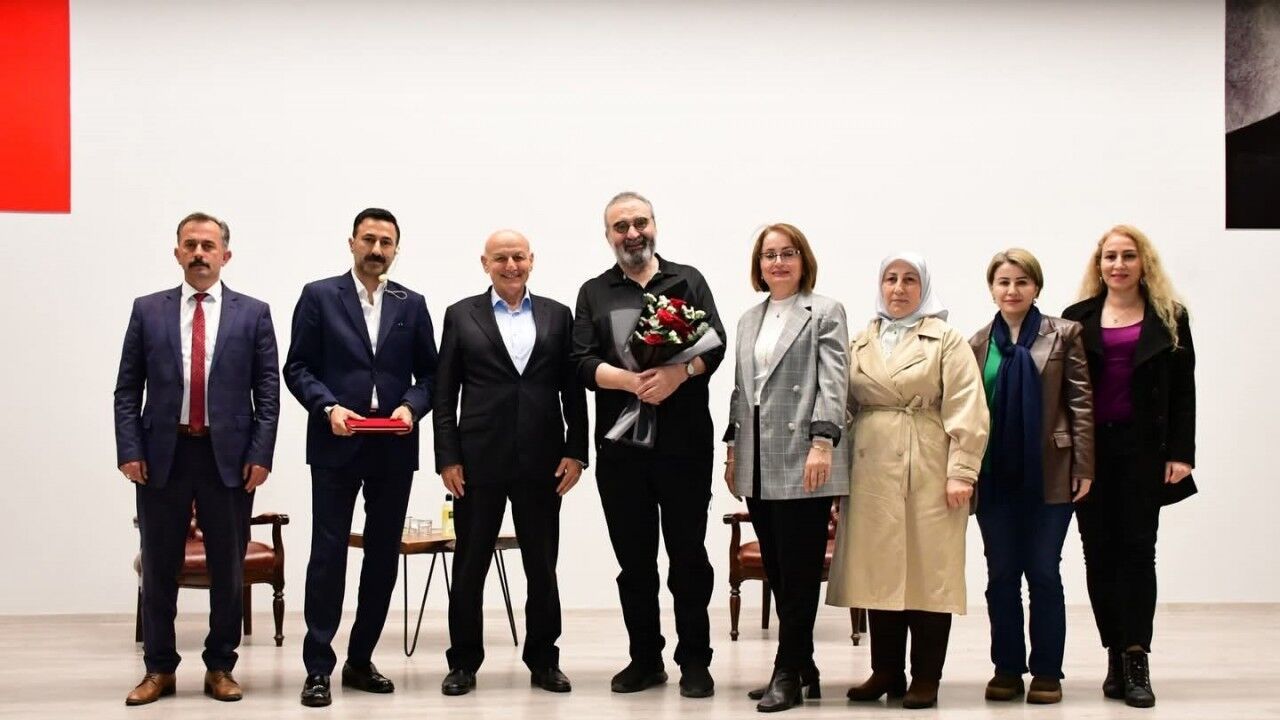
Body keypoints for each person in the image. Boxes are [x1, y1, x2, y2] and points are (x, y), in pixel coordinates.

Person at [114, 212, 280, 705]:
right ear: (177, 253)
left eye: (208, 246)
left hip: (228, 458)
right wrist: (130, 449)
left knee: (228, 567)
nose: (199, 254)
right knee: (159, 566)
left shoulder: (254, 313)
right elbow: (127, 389)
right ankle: (159, 668)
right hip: (162, 455)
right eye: (190, 245)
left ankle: (220, 666)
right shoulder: (148, 310)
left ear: (226, 255)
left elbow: (267, 393)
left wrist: (261, 453)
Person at [571, 191, 726, 698]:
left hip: (685, 447)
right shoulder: (594, 292)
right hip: (621, 453)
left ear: (654, 225)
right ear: (608, 236)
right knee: (635, 563)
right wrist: (628, 381)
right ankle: (645, 659)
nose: (632, 233)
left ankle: (695, 660)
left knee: (688, 557)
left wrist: (679, 374)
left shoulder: (687, 280)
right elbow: (580, 362)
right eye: (621, 226)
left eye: (640, 222)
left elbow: (716, 344)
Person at [284, 208, 439, 707]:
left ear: (396, 249)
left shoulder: (412, 303)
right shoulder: (318, 296)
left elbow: (431, 375)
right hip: (336, 441)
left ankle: (360, 659)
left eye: (385, 242)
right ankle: (318, 668)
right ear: (351, 242)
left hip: (393, 446)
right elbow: (297, 367)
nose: (376, 249)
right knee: (327, 556)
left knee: (382, 556)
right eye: (368, 239)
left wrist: (411, 407)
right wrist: (327, 407)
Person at [826, 251, 988, 710]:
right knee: (877, 572)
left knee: (929, 573)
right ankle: (886, 671)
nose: (898, 288)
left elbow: (968, 406)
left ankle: (926, 676)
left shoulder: (946, 339)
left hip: (931, 467)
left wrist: (962, 472)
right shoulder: (861, 340)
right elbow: (842, 407)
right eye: (891, 279)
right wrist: (837, 477)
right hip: (870, 469)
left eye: (909, 279)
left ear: (924, 286)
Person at [433, 230, 588, 696]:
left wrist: (576, 450)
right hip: (477, 461)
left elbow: (573, 391)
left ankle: (544, 659)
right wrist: (447, 457)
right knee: (470, 564)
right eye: (500, 258)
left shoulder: (558, 315)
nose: (510, 265)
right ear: (485, 263)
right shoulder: (461, 315)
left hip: (543, 461)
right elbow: (444, 393)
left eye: (518, 256)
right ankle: (463, 662)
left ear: (531, 260)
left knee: (542, 565)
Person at [1063, 225, 1196, 709]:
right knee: (1097, 554)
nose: (1118, 265)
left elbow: (1184, 390)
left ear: (1144, 263)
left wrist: (1181, 452)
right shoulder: (1077, 318)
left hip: (1144, 451)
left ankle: (1137, 656)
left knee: (1138, 552)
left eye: (1128, 256)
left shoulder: (1170, 317)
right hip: (1090, 454)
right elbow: (1063, 394)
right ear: (1099, 265)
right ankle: (1114, 654)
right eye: (1110, 257)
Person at [723, 223, 849, 712]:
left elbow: (834, 382)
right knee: (777, 569)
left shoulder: (825, 311)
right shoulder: (748, 319)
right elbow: (742, 390)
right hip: (758, 457)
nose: (778, 262)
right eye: (769, 254)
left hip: (804, 454)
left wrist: (822, 442)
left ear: (803, 260)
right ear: (759, 265)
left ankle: (786, 671)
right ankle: (804, 664)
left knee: (798, 571)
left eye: (788, 253)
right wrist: (732, 452)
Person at [967, 248, 1094, 704]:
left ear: (1036, 287)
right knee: (1001, 574)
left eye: (1021, 281)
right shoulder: (977, 343)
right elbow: (970, 411)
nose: (1012, 290)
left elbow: (1080, 404)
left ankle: (1046, 672)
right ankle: (1006, 668)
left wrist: (1084, 466)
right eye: (1003, 282)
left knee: (1042, 572)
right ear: (992, 289)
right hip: (995, 474)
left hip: (1050, 472)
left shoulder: (1064, 334)